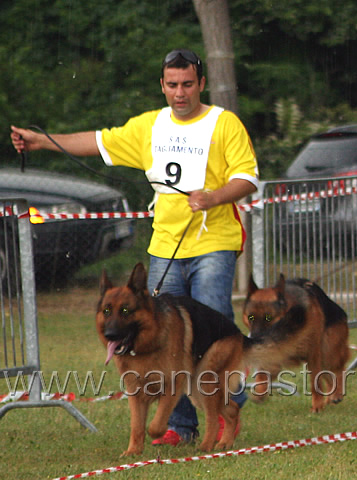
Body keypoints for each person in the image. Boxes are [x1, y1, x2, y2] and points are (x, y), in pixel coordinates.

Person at [10, 48, 258, 445]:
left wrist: (213, 197)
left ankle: (227, 406)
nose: (180, 93)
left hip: (214, 241)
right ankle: (181, 427)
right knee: (165, 336)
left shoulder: (223, 123)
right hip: (165, 245)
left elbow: (247, 179)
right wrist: (43, 141)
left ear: (202, 84)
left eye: (188, 84)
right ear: (162, 85)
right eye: (173, 85)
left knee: (211, 329)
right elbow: (96, 140)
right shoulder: (150, 126)